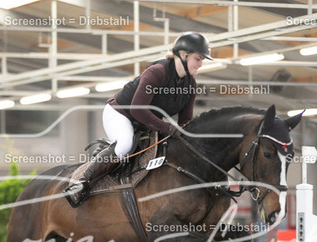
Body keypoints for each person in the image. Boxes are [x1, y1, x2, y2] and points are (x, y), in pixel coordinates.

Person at [65, 31, 212, 207]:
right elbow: (137, 109)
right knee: (125, 145)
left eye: (202, 60)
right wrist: (166, 127)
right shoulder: (157, 72)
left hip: (146, 123)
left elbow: (185, 120)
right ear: (183, 55)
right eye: (198, 59)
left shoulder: (191, 85)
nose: (200, 64)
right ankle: (82, 183)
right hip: (120, 113)